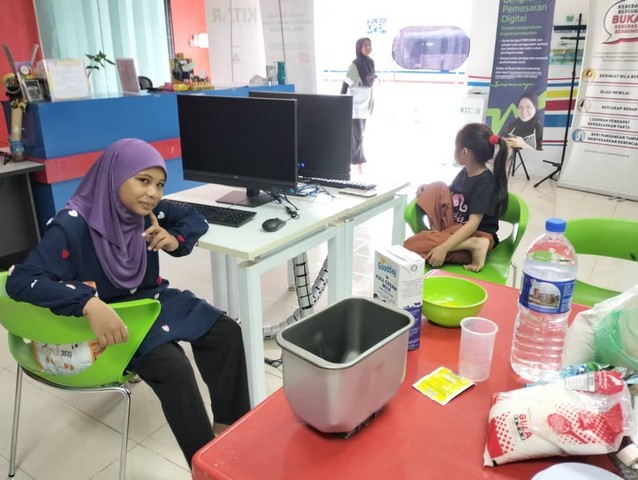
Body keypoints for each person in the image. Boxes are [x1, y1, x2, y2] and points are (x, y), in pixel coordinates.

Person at [5, 138, 250, 466]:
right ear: (114, 176)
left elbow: (196, 217)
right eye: (143, 180)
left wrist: (174, 239)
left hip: (147, 301)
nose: (153, 193)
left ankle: (228, 429)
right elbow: (22, 280)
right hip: (103, 324)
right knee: (173, 367)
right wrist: (88, 303)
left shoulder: (147, 213)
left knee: (225, 331)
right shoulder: (73, 224)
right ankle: (206, 466)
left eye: (160, 184)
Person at [403, 123, 509, 272]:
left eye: (455, 147)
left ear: (464, 152)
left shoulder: (485, 182)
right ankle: (439, 238)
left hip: (477, 234)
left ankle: (475, 245)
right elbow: (449, 194)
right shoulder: (465, 172)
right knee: (437, 186)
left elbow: (473, 224)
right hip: (456, 228)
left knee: (410, 246)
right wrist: (429, 188)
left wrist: (444, 247)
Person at [340, 37, 377, 174]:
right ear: (359, 47)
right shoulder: (355, 65)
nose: (369, 47)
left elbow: (370, 80)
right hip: (354, 105)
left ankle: (354, 161)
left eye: (370, 45)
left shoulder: (371, 63)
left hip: (365, 104)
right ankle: (357, 162)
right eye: (365, 45)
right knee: (358, 135)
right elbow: (346, 83)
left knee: (361, 134)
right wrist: (341, 101)